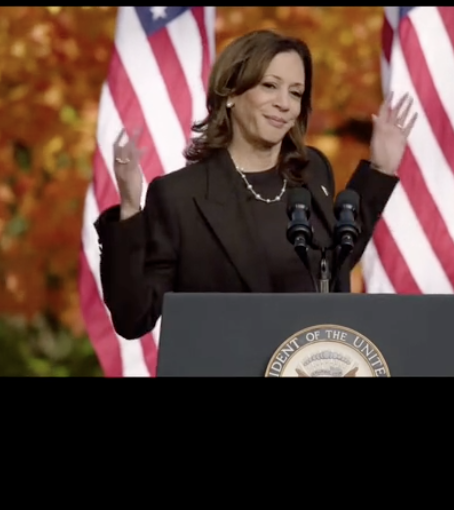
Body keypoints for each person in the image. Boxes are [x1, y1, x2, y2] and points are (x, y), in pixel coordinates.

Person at [95, 29, 417, 340]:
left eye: (295, 92)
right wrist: (128, 209)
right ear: (232, 94)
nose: (284, 103)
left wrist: (380, 169)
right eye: (270, 86)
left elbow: (333, 263)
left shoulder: (311, 171)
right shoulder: (181, 196)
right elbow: (133, 316)